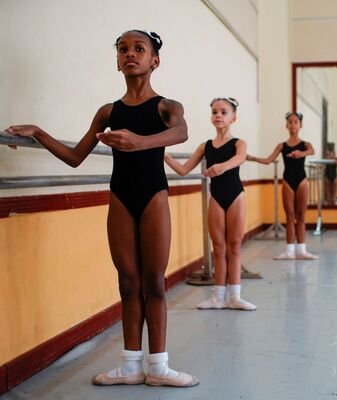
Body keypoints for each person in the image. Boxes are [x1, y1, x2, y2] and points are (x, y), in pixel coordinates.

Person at [5, 30, 198, 387]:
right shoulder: (109, 111)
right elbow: (76, 157)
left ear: (154, 60)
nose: (130, 54)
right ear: (117, 62)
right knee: (127, 282)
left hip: (154, 195)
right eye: (123, 49)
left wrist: (138, 142)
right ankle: (129, 365)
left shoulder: (168, 107)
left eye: (139, 49)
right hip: (120, 197)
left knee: (154, 281)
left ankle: (158, 367)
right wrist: (38, 132)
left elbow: (181, 133)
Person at [164, 97, 256, 310]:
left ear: (233, 117)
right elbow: (183, 170)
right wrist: (165, 156)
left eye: (224, 112)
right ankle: (218, 297)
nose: (218, 116)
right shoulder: (205, 146)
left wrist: (222, 167)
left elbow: (240, 158)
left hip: (235, 197)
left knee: (234, 246)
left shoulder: (238, 143)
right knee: (218, 247)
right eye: (215, 112)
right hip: (216, 198)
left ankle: (235, 296)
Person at [247, 111, 319, 259]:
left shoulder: (305, 145)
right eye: (290, 122)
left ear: (300, 125)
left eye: (296, 122)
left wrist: (300, 154)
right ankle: (289, 251)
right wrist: (249, 157)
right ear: (286, 125)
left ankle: (302, 250)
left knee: (301, 216)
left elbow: (312, 151)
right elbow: (268, 160)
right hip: (287, 181)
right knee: (290, 216)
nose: (293, 124)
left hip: (302, 181)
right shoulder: (282, 146)